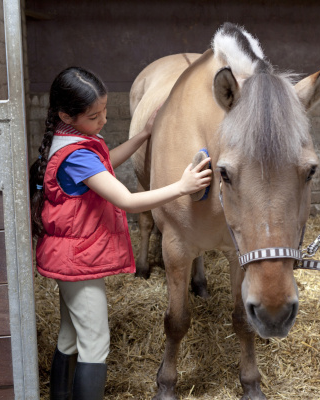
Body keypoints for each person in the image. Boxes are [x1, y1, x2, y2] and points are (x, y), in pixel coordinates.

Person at [29, 66, 212, 400]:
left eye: (105, 112)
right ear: (66, 114)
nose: (103, 122)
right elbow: (127, 200)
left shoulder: (65, 138)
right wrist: (182, 186)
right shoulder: (78, 154)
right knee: (95, 346)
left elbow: (104, 164)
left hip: (68, 257)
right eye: (94, 117)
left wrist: (142, 135)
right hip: (77, 262)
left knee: (70, 337)